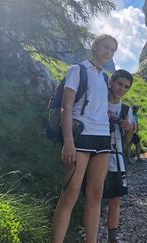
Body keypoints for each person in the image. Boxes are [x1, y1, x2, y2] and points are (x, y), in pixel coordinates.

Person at [51, 34, 118, 243]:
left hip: (103, 138)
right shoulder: (77, 70)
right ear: (95, 46)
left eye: (113, 50)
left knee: (96, 195)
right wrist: (68, 142)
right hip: (80, 138)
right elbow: (66, 107)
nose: (108, 52)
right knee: (70, 194)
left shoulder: (104, 77)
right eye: (105, 47)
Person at [105, 69, 136, 243]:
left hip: (116, 159)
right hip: (95, 156)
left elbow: (126, 141)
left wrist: (129, 129)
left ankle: (112, 238)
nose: (122, 89)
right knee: (93, 197)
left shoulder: (126, 110)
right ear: (111, 82)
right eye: (119, 84)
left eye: (126, 87)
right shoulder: (98, 102)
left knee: (115, 199)